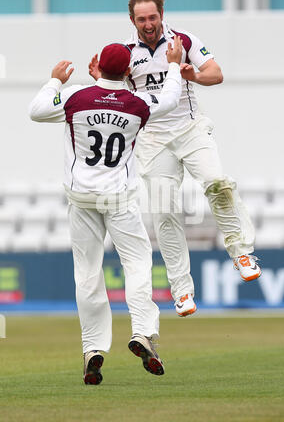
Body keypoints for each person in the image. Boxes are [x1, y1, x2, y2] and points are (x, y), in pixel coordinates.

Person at [89, 0, 262, 318]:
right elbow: (114, 92)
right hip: (153, 138)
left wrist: (192, 74)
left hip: (190, 129)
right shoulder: (125, 52)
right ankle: (182, 290)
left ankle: (241, 252)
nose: (148, 24)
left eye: (153, 17)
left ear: (161, 15)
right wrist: (101, 79)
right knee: (165, 213)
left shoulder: (183, 40)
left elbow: (217, 73)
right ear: (132, 20)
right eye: (141, 19)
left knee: (217, 183)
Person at [29, 36, 183, 384]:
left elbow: (36, 110)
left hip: (82, 197)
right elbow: (171, 99)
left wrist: (55, 79)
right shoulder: (138, 103)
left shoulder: (75, 96)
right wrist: (173, 64)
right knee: (138, 265)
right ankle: (143, 332)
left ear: (97, 66)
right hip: (119, 199)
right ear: (128, 70)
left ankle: (93, 347)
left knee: (87, 273)